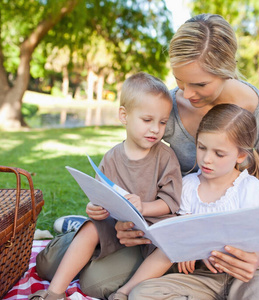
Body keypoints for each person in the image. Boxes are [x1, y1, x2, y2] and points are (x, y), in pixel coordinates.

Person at [37, 13, 259, 299]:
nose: (186, 94)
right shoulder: (169, 108)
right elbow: (134, 162)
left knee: (95, 284)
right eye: (179, 81)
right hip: (158, 231)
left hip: (190, 246)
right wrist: (123, 219)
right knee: (51, 267)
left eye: (200, 85)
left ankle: (85, 235)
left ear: (228, 69)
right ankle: (79, 229)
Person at [29, 72, 182, 300]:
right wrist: (94, 209)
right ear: (124, 115)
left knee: (94, 283)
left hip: (146, 235)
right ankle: (55, 293)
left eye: (162, 122)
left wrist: (144, 207)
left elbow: (170, 203)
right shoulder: (111, 157)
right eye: (147, 120)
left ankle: (100, 268)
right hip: (114, 227)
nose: (155, 129)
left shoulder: (166, 157)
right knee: (56, 258)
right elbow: (100, 198)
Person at [109, 103, 259, 300]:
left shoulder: (248, 188)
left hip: (248, 273)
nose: (206, 159)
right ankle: (125, 292)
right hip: (201, 276)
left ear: (240, 155)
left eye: (219, 154)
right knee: (142, 294)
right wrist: (188, 249)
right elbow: (183, 234)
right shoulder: (188, 186)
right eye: (201, 147)